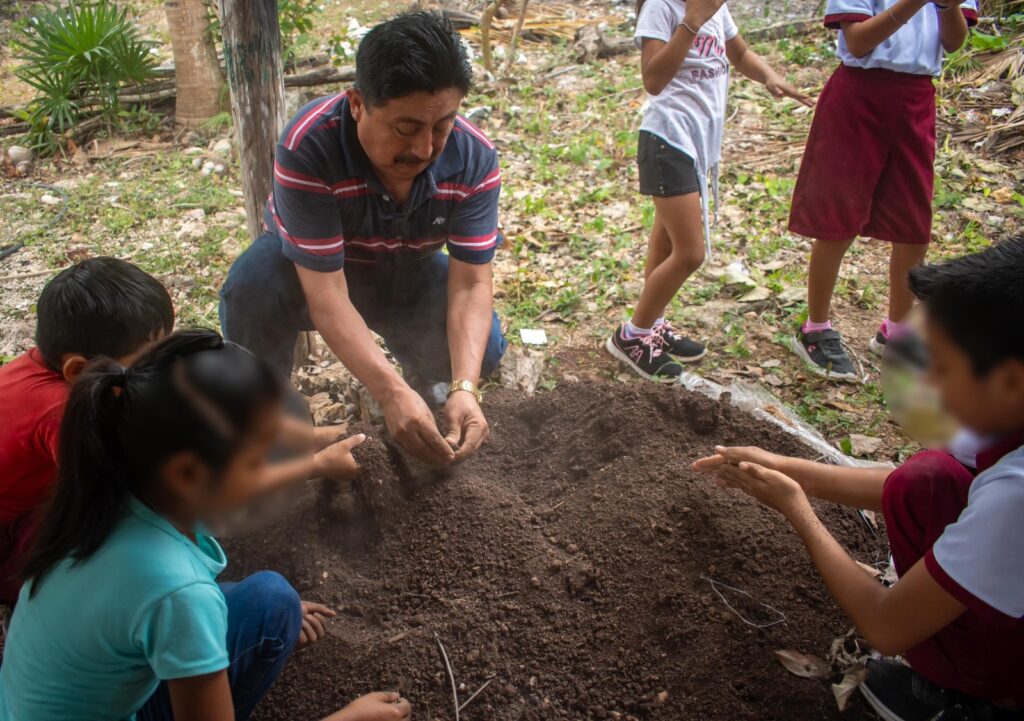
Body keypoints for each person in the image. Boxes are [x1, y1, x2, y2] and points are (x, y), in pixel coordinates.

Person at [0, 329, 412, 721]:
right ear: (190, 474)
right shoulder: (179, 593)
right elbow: (174, 597)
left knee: (271, 601)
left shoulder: (109, 490)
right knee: (254, 602)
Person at [695, 238, 1024, 720]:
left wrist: (796, 509)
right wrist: (785, 466)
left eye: (943, 369)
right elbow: (900, 484)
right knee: (924, 480)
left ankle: (984, 700)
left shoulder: (1016, 495)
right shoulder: (1008, 419)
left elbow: (885, 629)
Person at [220, 11, 507, 467]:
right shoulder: (308, 146)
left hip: (408, 269)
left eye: (443, 125)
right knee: (253, 284)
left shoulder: (474, 157)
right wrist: (388, 391)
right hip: (315, 274)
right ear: (357, 104)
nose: (425, 149)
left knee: (483, 347)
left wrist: (464, 387)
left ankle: (431, 400)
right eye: (405, 128)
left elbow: (472, 283)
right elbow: (328, 293)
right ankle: (265, 421)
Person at [0, 258, 357, 606]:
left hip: (38, 505)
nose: (162, 369)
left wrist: (308, 439)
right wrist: (315, 466)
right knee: (145, 523)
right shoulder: (64, 413)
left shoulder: (67, 374)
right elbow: (178, 493)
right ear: (78, 369)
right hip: (14, 549)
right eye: (148, 359)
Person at [607, 0, 814, 382]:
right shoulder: (661, 7)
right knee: (690, 253)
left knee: (666, 244)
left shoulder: (716, 7)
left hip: (697, 145)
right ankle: (631, 336)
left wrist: (768, 75)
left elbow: (741, 53)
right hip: (668, 139)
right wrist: (691, 22)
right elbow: (652, 79)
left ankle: (653, 324)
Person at [788, 0, 976, 381]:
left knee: (913, 221)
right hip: (858, 96)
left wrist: (947, 7)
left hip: (916, 99)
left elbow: (954, 42)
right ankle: (816, 328)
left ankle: (898, 330)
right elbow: (857, 42)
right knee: (837, 218)